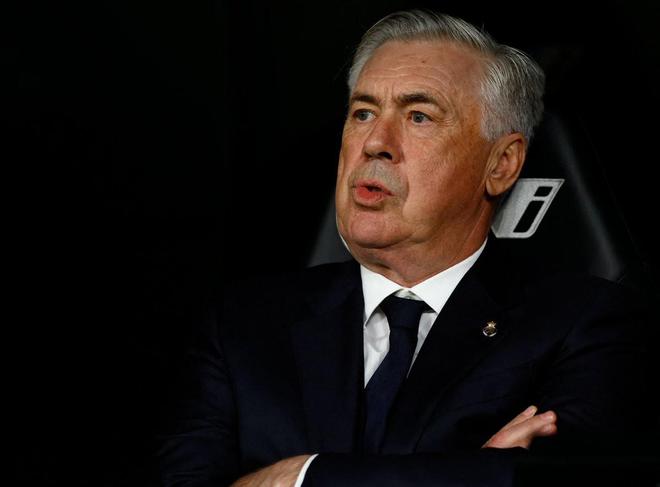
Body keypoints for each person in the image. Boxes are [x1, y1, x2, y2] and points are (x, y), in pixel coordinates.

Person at [156, 10, 647, 486]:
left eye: (418, 116)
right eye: (363, 112)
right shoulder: (241, 324)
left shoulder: (583, 324)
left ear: (501, 164)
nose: (375, 142)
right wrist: (469, 472)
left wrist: (304, 476)